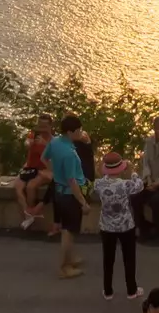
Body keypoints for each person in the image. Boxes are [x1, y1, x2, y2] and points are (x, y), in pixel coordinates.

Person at [93, 151, 145, 300]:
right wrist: (133, 172)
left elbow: (92, 182)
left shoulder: (99, 184)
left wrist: (99, 169)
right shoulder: (125, 184)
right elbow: (140, 185)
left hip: (106, 226)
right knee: (129, 258)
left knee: (108, 259)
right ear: (120, 168)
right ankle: (131, 290)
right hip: (126, 225)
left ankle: (108, 291)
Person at [44, 112, 90, 279]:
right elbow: (72, 181)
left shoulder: (55, 141)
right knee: (68, 233)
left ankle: (70, 260)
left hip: (59, 191)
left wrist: (55, 173)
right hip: (70, 195)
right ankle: (65, 267)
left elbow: (45, 158)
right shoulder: (69, 154)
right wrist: (83, 202)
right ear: (70, 132)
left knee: (67, 229)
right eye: (78, 130)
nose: (80, 133)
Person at [16, 115, 55, 230]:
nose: (42, 129)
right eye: (40, 125)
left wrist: (45, 144)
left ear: (50, 127)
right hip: (30, 168)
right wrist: (30, 143)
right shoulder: (33, 135)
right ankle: (28, 214)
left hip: (44, 170)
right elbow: (26, 144)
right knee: (18, 188)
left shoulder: (53, 141)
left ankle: (31, 213)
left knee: (31, 187)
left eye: (45, 126)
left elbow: (55, 158)